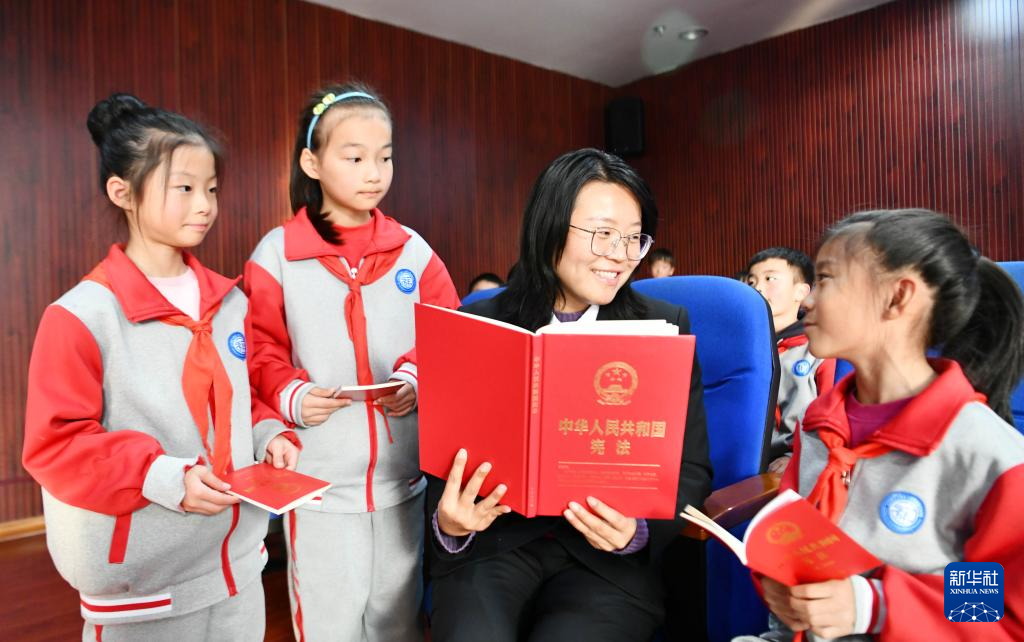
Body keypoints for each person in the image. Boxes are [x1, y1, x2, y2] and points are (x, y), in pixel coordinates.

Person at [22, 93, 299, 641]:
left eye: (211, 189)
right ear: (122, 192)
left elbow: (238, 400)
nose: (205, 205)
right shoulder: (81, 316)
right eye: (185, 188)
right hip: (144, 593)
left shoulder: (230, 303)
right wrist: (164, 477)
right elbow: (57, 446)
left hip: (238, 573)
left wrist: (269, 434)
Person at [426, 148, 713, 642]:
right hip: (496, 546)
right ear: (550, 227)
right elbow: (445, 456)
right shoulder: (480, 324)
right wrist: (451, 525)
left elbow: (691, 467)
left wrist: (637, 533)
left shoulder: (662, 326)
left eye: (633, 238)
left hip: (606, 561)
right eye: (603, 234)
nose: (620, 255)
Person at [738, 209, 1024, 641]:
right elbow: (794, 546)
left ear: (897, 297)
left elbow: (1001, 611)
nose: (808, 301)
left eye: (826, 279)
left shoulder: (985, 454)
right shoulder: (821, 426)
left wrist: (873, 605)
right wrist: (781, 587)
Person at [244, 82, 460, 642]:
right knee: (329, 624)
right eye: (355, 157)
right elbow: (258, 349)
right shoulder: (276, 255)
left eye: (385, 157)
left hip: (403, 484)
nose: (375, 173)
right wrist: (292, 395)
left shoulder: (414, 251)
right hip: (317, 489)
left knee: (399, 621)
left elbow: (450, 334)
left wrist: (415, 376)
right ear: (311, 163)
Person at [745, 247, 835, 474]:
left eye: (770, 279)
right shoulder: (744, 349)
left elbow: (832, 418)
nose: (757, 288)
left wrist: (799, 457)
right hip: (743, 461)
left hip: (796, 464)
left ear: (801, 292)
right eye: (752, 281)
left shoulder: (817, 349)